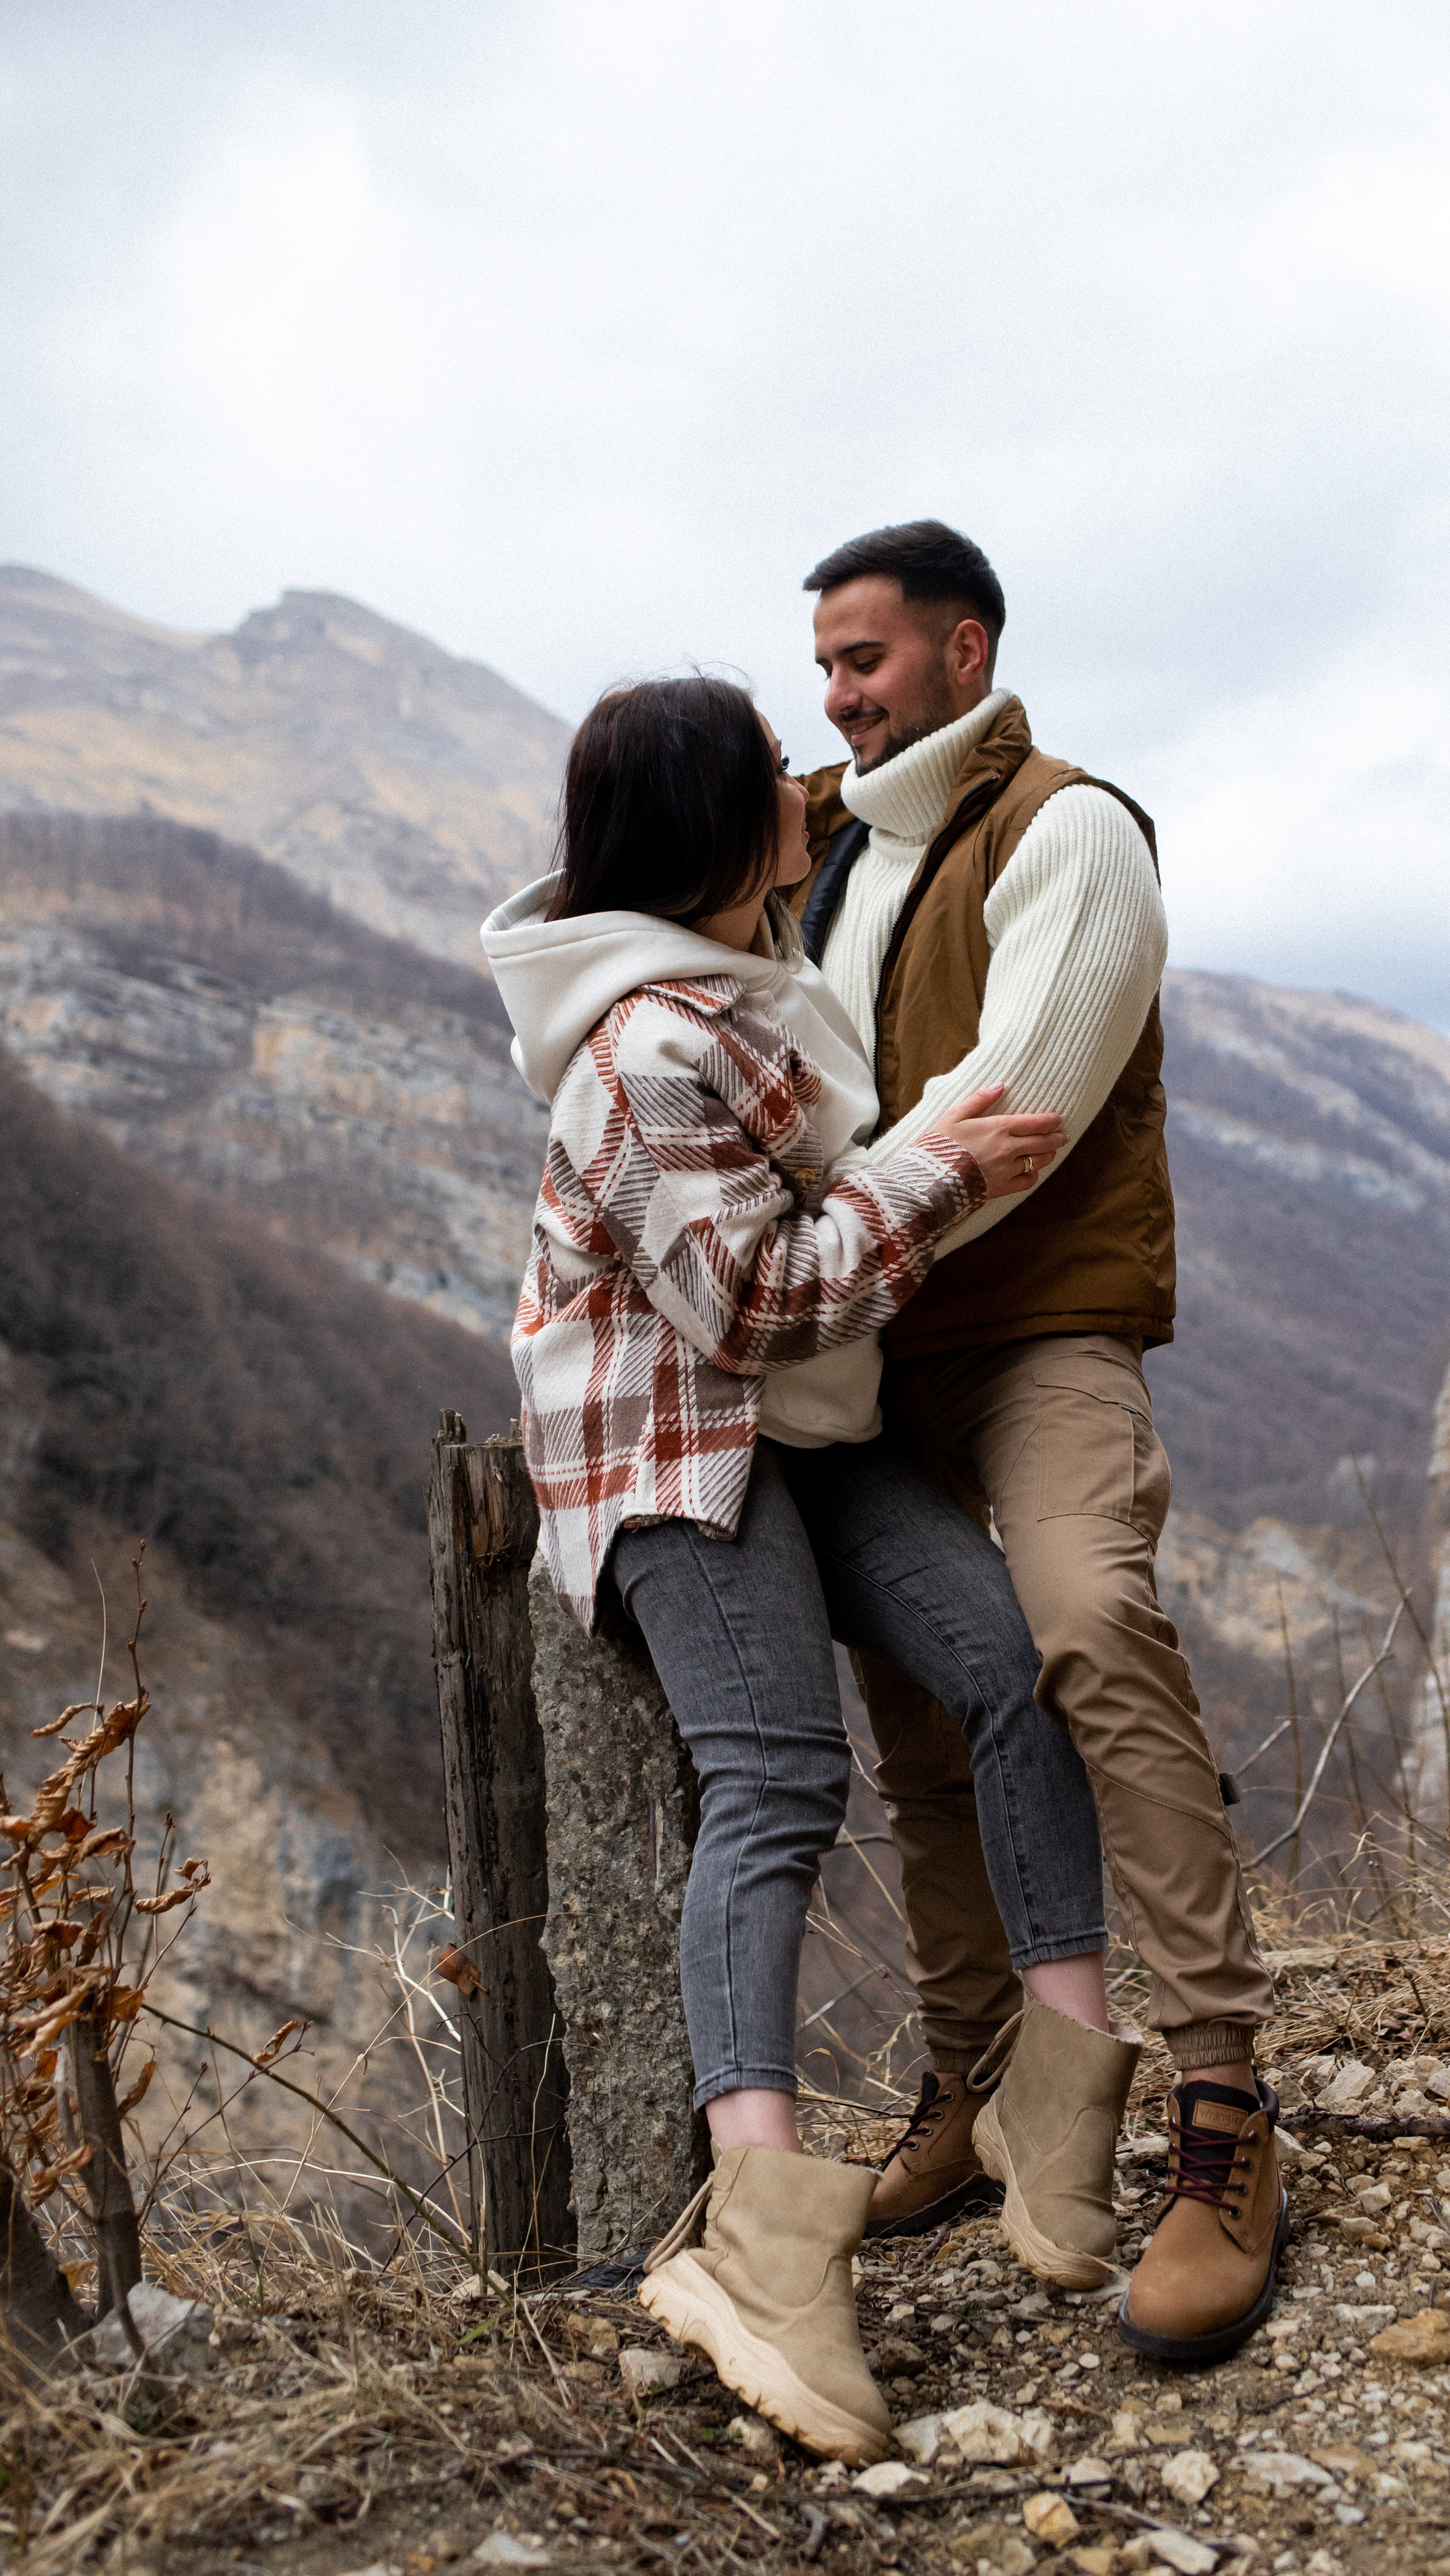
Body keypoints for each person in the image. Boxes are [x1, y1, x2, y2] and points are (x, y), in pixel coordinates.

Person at [483, 674, 1117, 2463]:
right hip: (673, 1439)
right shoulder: (643, 1048)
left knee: (1013, 1669)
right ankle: (759, 2234)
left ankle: (1060, 2110)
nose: (807, 777)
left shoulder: (762, 983)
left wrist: (909, 1170)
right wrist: (926, 1176)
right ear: (709, 825)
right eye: (774, 766)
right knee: (776, 1780)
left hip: (805, 1426)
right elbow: (748, 1306)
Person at [788, 521, 1287, 2367]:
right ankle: (979, 2086)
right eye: (823, 661)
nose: (834, 693)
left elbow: (1016, 1109)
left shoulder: (1069, 824)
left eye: (866, 659)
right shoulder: (828, 844)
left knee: (1084, 1621)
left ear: (965, 646)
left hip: (1032, 1329)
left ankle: (1221, 2107)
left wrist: (819, 1221)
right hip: (866, 1354)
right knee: (925, 1714)